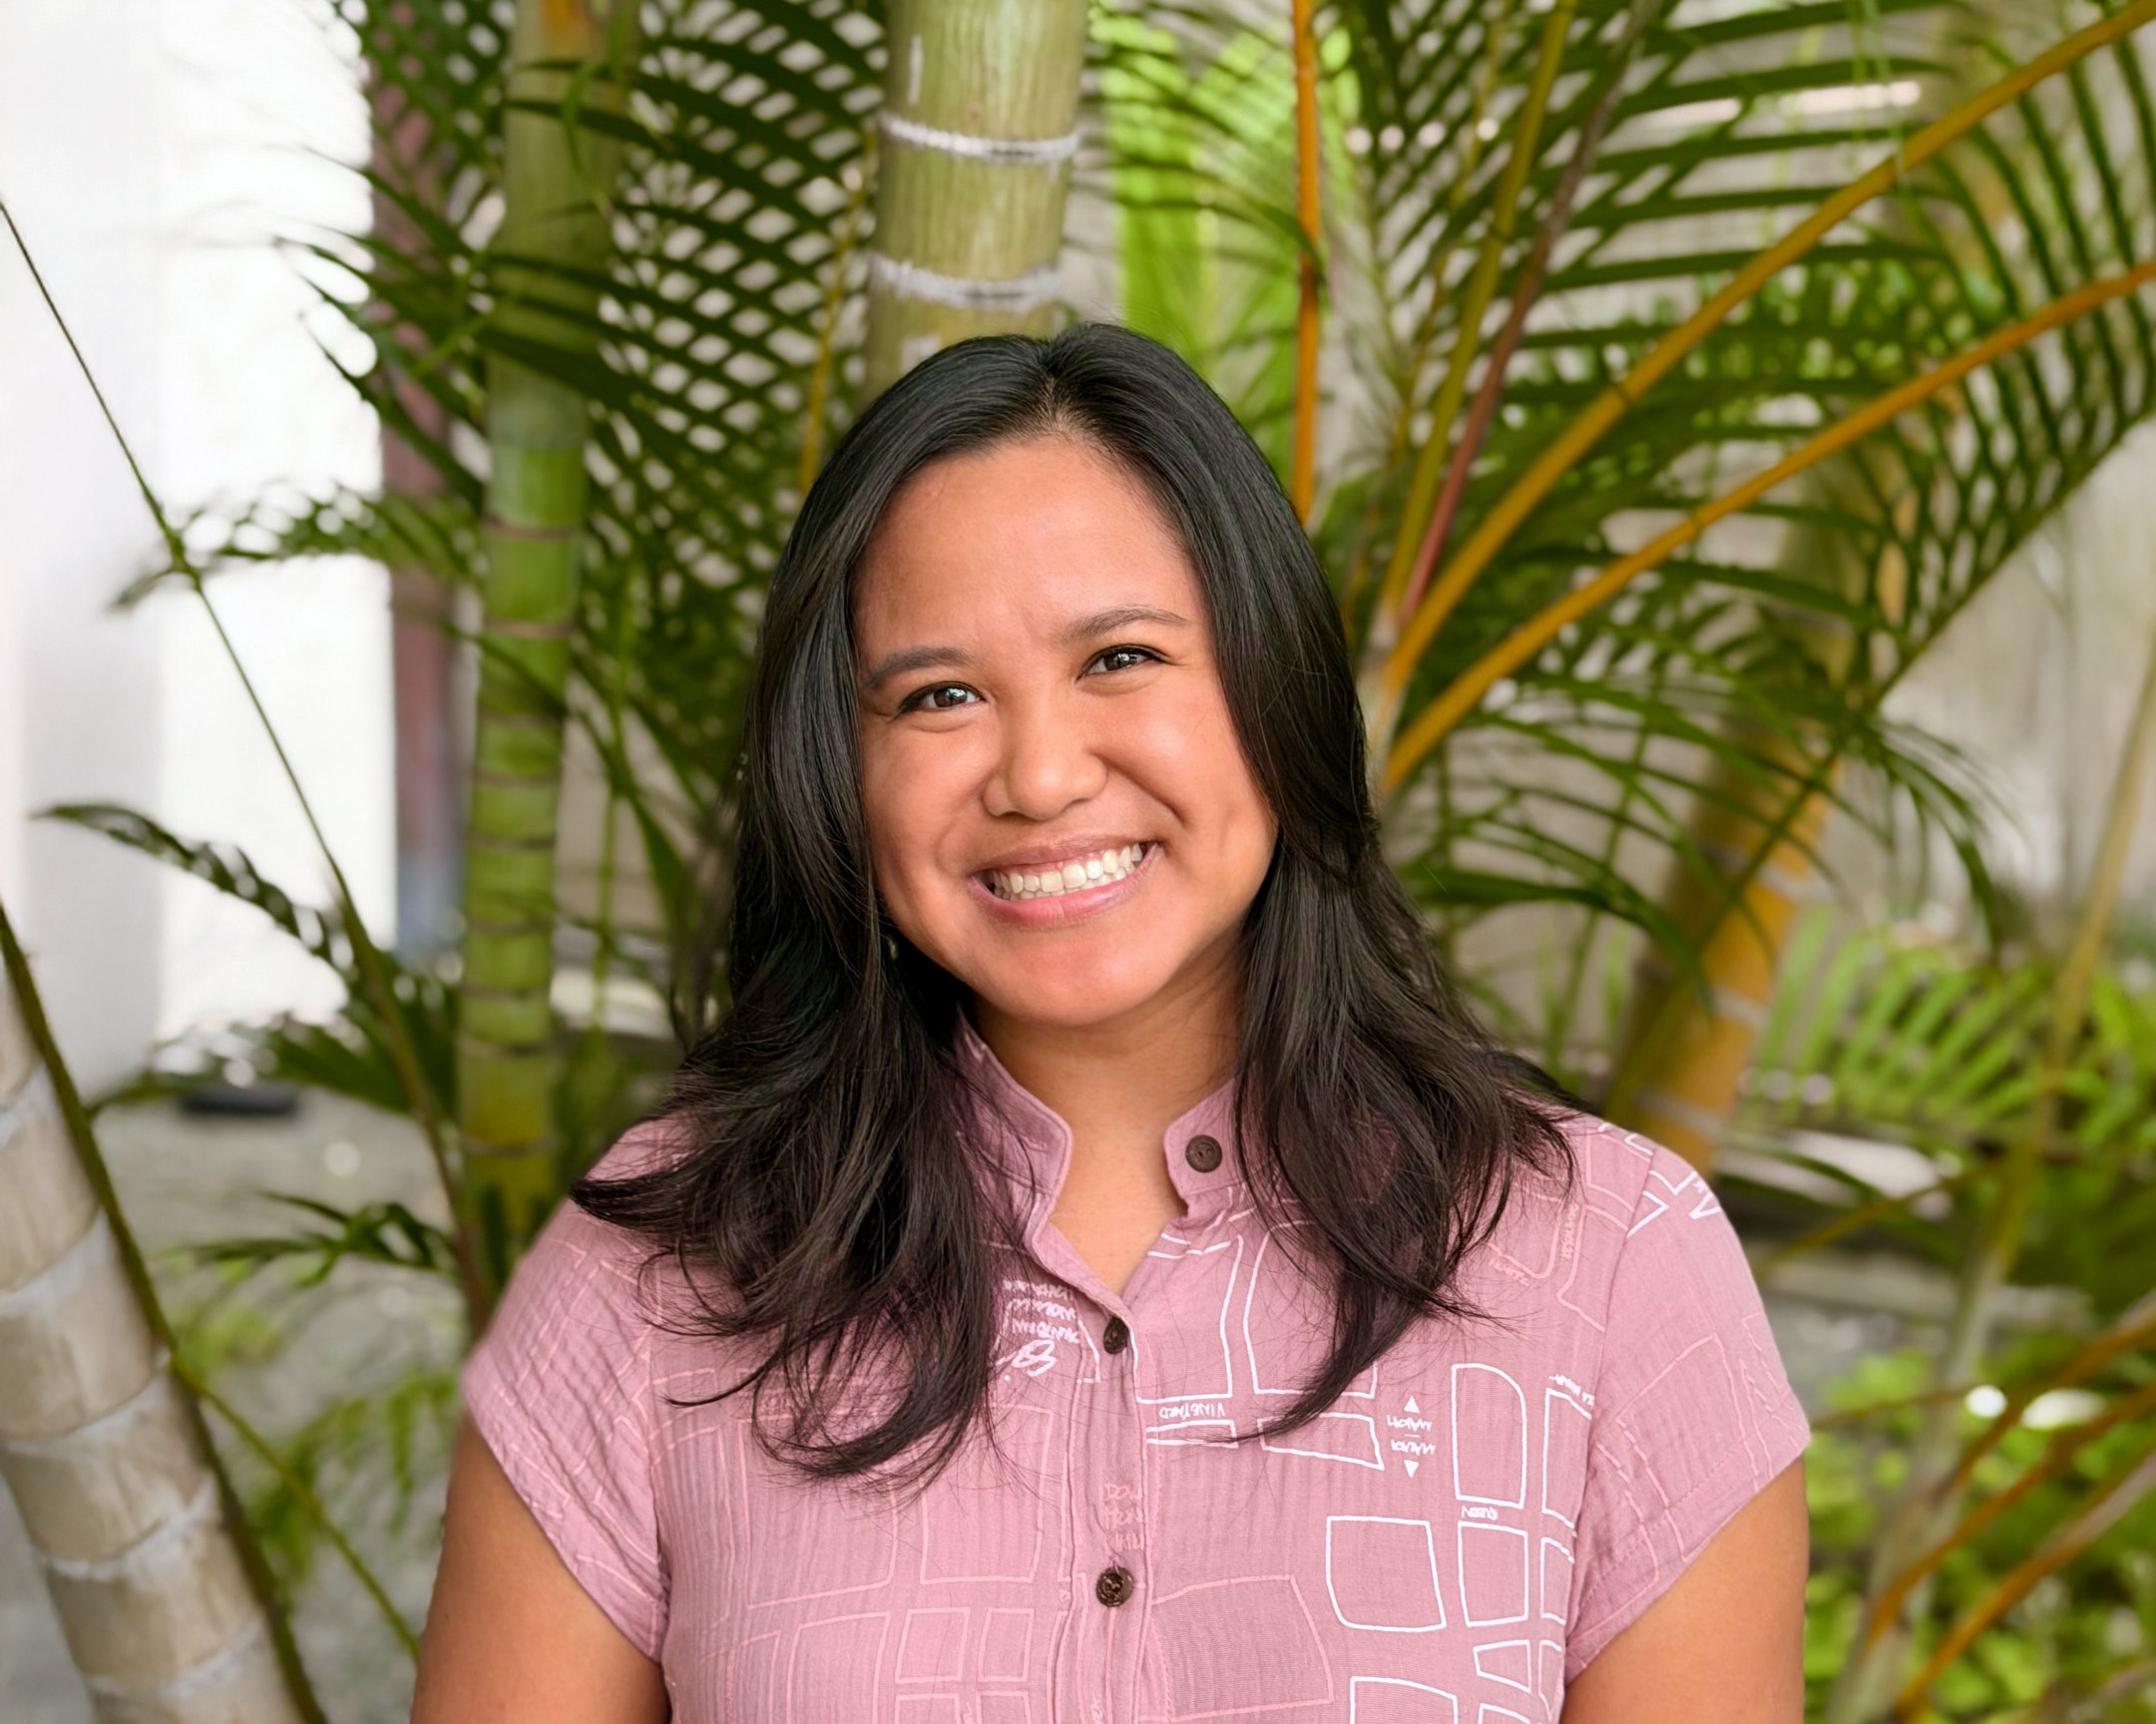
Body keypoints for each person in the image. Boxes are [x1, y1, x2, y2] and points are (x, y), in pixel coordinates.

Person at [411, 324, 1810, 1724]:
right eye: (937, 694)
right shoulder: (654, 1282)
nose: (1036, 773)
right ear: (837, 770)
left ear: (1274, 689)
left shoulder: (1610, 1267)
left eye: (1121, 657)